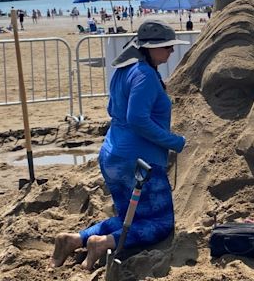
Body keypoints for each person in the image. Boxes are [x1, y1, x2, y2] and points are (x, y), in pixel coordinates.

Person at [51, 20, 189, 270]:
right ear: (149, 47)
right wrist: (174, 141)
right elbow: (138, 120)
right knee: (161, 223)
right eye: (166, 46)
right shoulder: (145, 75)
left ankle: (75, 240)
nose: (170, 51)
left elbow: (113, 109)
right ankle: (104, 243)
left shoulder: (124, 71)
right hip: (139, 160)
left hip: (112, 153)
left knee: (131, 217)